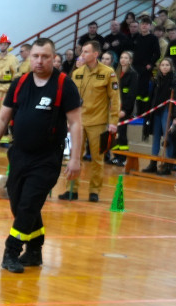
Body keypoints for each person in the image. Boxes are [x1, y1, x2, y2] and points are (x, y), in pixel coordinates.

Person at [0, 38, 82, 273]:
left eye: (45, 57)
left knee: (28, 205)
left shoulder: (64, 85)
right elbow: (2, 118)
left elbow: (76, 123)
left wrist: (75, 158)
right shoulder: (20, 83)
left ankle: (11, 251)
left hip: (47, 158)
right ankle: (35, 249)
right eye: (36, 56)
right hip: (19, 155)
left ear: (53, 58)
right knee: (19, 205)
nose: (39, 61)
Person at [60, 41, 119, 202]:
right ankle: (71, 189)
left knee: (97, 159)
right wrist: (67, 119)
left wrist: (113, 121)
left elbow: (115, 99)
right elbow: (70, 99)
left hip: (99, 123)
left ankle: (94, 191)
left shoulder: (108, 73)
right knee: (75, 157)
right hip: (78, 122)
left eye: (86, 52)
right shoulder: (77, 73)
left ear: (95, 54)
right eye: (82, 52)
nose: (82, 55)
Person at [141, 57, 176, 174]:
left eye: (167, 65)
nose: (164, 67)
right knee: (156, 137)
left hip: (167, 110)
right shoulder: (156, 80)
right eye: (162, 65)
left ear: (171, 67)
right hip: (156, 110)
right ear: (159, 67)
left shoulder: (175, 80)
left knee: (167, 137)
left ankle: (167, 164)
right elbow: (152, 96)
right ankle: (153, 163)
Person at [110, 50, 138, 164]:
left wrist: (125, 110)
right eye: (122, 57)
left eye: (126, 58)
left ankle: (123, 158)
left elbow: (132, 94)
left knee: (122, 133)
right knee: (113, 133)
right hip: (114, 107)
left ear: (130, 60)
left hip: (124, 109)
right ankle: (116, 156)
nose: (123, 60)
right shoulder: (116, 73)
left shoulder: (133, 74)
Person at [132, 16, 161, 110]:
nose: (144, 26)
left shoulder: (153, 38)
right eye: (143, 24)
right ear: (140, 25)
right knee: (134, 89)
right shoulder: (136, 37)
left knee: (143, 91)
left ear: (150, 26)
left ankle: (143, 111)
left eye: (146, 24)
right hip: (135, 67)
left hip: (145, 68)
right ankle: (135, 111)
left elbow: (157, 54)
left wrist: (151, 64)